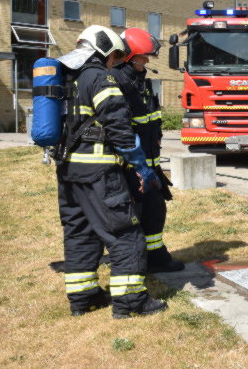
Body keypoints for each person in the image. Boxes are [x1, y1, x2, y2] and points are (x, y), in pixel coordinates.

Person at [56, 25, 167, 318]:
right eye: (113, 54)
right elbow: (119, 127)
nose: (114, 60)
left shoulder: (68, 77)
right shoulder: (100, 78)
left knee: (80, 233)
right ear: (102, 48)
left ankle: (83, 298)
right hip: (100, 173)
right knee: (126, 234)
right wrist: (141, 167)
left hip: (68, 172)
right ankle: (131, 303)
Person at [111, 28, 184, 273]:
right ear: (130, 56)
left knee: (155, 210)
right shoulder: (117, 82)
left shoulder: (141, 82)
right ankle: (135, 262)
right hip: (129, 166)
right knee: (135, 215)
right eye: (144, 57)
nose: (148, 61)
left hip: (149, 164)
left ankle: (156, 258)